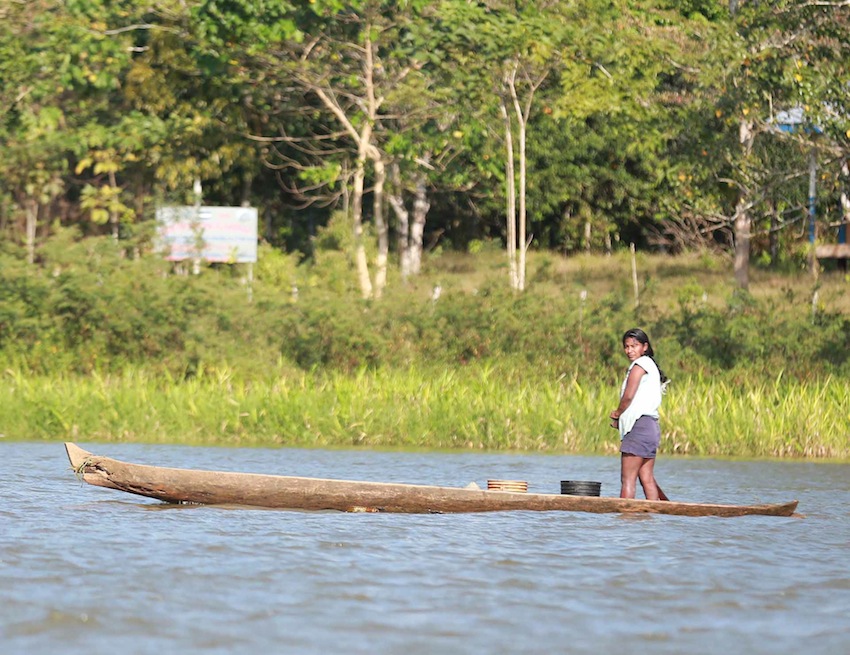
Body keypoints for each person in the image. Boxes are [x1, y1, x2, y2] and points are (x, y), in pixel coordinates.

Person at [609, 328, 670, 501]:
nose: (629, 350)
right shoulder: (650, 365)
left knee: (627, 479)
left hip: (639, 427)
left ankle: (625, 518)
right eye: (626, 347)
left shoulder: (640, 366)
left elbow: (628, 396)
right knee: (647, 479)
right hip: (650, 427)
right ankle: (653, 518)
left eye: (634, 346)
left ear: (645, 347)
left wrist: (617, 414)